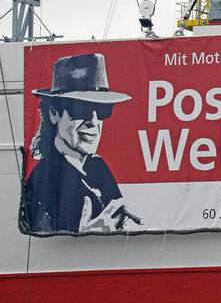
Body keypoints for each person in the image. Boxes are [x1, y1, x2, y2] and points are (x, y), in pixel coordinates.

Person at [22, 53, 141, 234]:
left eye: (102, 110)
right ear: (54, 112)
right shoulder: (41, 182)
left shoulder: (98, 166)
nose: (93, 123)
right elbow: (40, 244)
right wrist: (85, 236)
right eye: (82, 109)